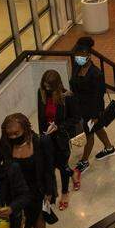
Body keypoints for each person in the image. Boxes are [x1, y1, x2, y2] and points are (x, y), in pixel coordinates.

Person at [0, 113, 58, 228]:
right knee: (22, 215)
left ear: (25, 129)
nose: (13, 137)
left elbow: (48, 169)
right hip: (17, 189)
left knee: (38, 216)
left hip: (37, 187)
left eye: (16, 133)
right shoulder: (6, 145)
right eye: (10, 134)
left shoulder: (40, 142)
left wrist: (49, 192)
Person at [69, 36, 115, 170]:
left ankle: (84, 161)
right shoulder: (77, 68)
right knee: (98, 129)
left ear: (89, 55)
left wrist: (96, 116)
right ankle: (109, 147)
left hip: (92, 110)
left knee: (89, 134)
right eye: (77, 55)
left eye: (82, 55)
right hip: (80, 108)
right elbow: (74, 85)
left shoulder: (96, 74)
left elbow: (98, 96)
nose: (79, 58)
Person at [37, 69, 76, 209]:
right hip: (47, 137)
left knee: (62, 166)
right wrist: (42, 135)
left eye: (49, 87)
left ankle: (65, 192)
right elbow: (40, 118)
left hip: (61, 138)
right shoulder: (41, 93)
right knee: (50, 166)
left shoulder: (67, 97)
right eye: (45, 86)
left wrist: (58, 126)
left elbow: (75, 119)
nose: (47, 89)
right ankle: (70, 175)